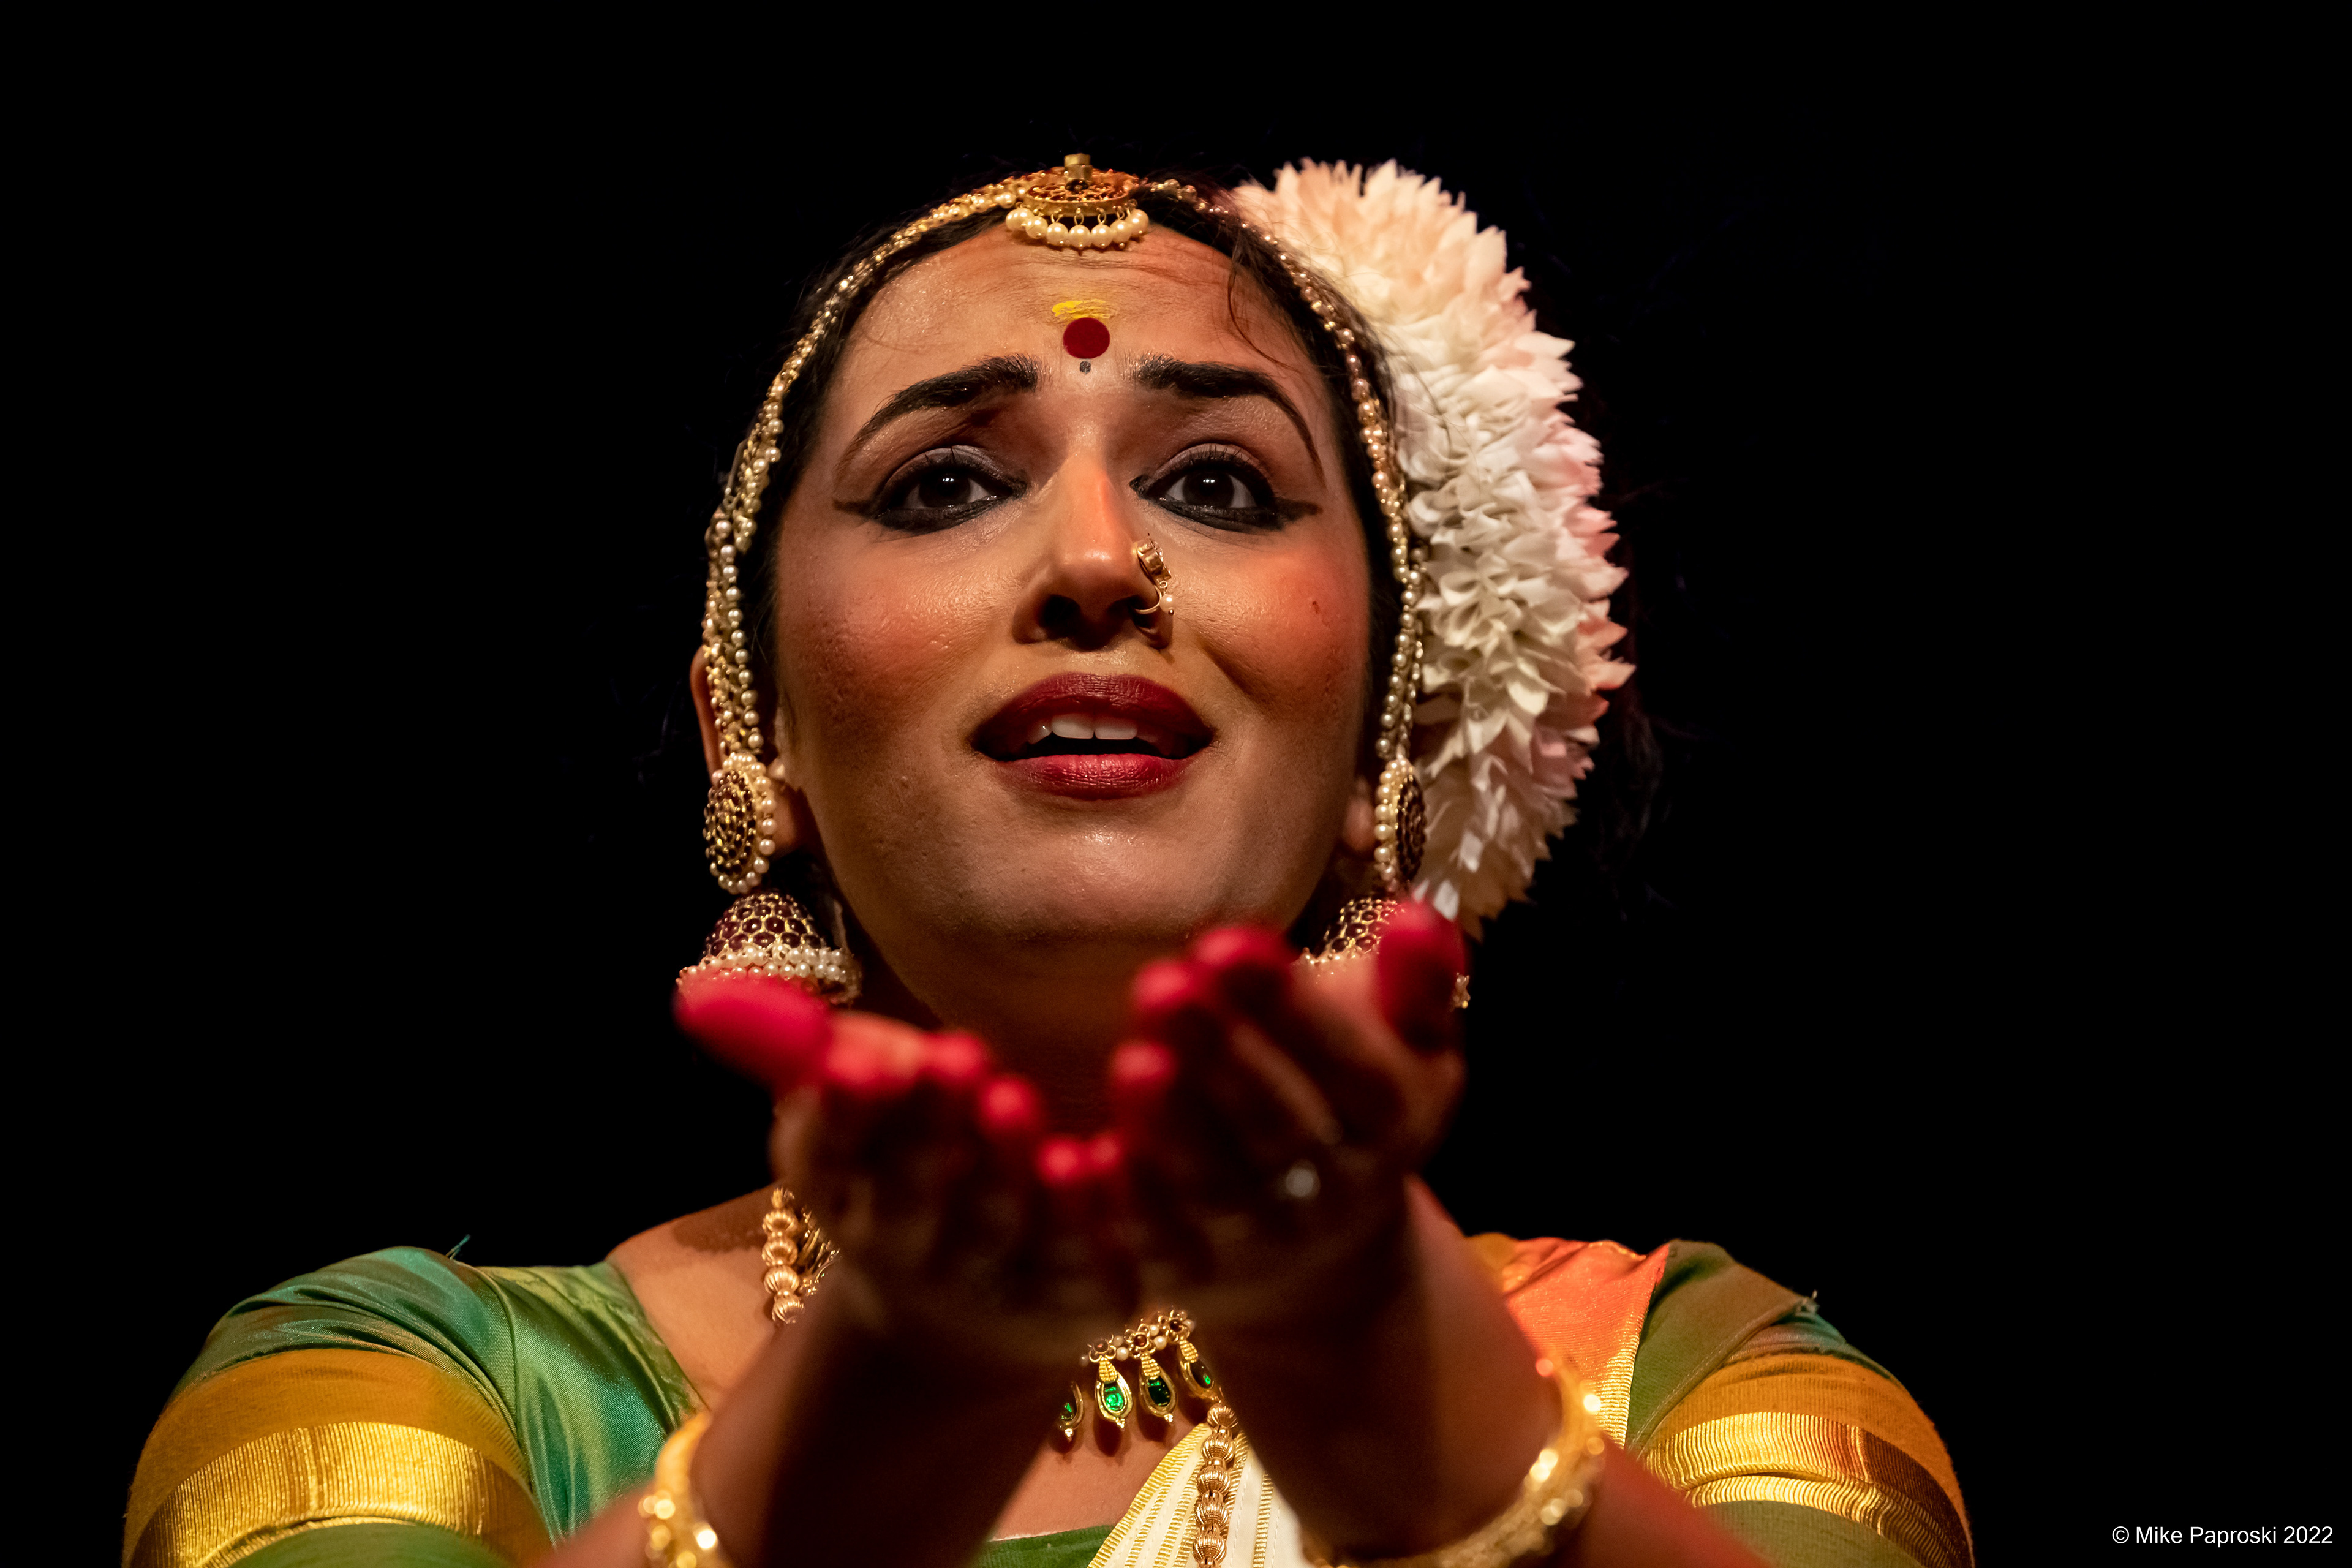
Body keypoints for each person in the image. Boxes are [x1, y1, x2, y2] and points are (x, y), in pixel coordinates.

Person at [124, 158, 1970, 1568]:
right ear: (751, 727)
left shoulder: (1688, 1376)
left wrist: (1440, 1433)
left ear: (1384, 735)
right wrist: (885, 1405)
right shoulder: (400, 1386)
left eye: (1219, 484)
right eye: (945, 482)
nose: (1096, 563)